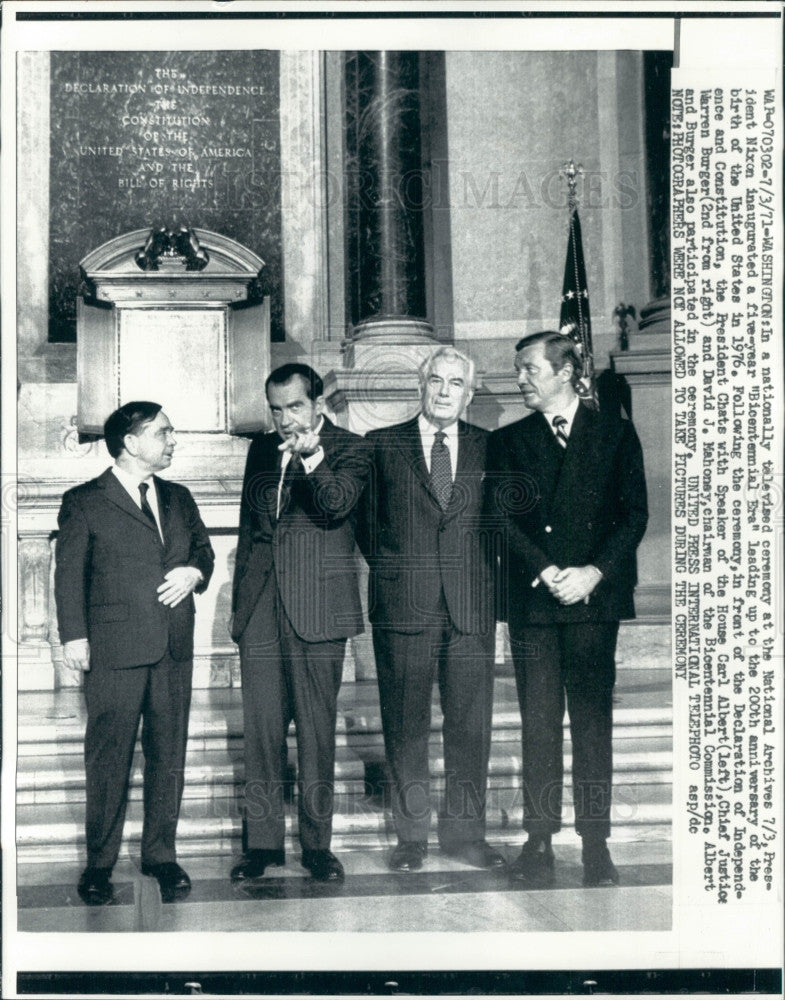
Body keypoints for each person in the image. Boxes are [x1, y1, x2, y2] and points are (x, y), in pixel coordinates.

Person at [486, 331, 648, 887]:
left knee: (591, 722)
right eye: (519, 369)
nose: (521, 378)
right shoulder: (508, 441)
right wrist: (547, 570)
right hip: (535, 600)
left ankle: (597, 846)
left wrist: (593, 573)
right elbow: (501, 519)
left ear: (565, 371)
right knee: (537, 724)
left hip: (592, 602)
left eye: (530, 368)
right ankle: (538, 842)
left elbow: (634, 515)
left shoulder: (615, 434)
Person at [54, 402, 215, 906]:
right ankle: (99, 865)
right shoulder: (85, 500)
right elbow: (68, 575)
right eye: (164, 432)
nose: (173, 440)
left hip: (172, 648)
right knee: (108, 760)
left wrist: (194, 572)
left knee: (169, 758)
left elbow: (203, 552)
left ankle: (160, 856)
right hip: (114, 650)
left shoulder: (179, 496)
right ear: (131, 441)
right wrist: (73, 637)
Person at [357, 346, 503, 873]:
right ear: (421, 386)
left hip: (470, 606)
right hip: (404, 606)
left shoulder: (491, 447)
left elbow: (497, 525)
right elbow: (367, 525)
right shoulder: (381, 445)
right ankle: (411, 836)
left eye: (456, 384)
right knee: (405, 722)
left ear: (469, 392)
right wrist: (400, 573)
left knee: (471, 724)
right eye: (436, 381)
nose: (444, 392)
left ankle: (465, 834)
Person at [230, 363, 371, 883]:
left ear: (317, 404)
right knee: (261, 732)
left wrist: (312, 455)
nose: (285, 419)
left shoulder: (353, 448)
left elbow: (335, 506)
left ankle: (316, 846)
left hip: (319, 607)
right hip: (263, 607)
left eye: (294, 407)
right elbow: (251, 528)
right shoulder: (261, 451)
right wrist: (241, 611)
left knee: (316, 733)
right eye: (275, 409)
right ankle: (263, 845)